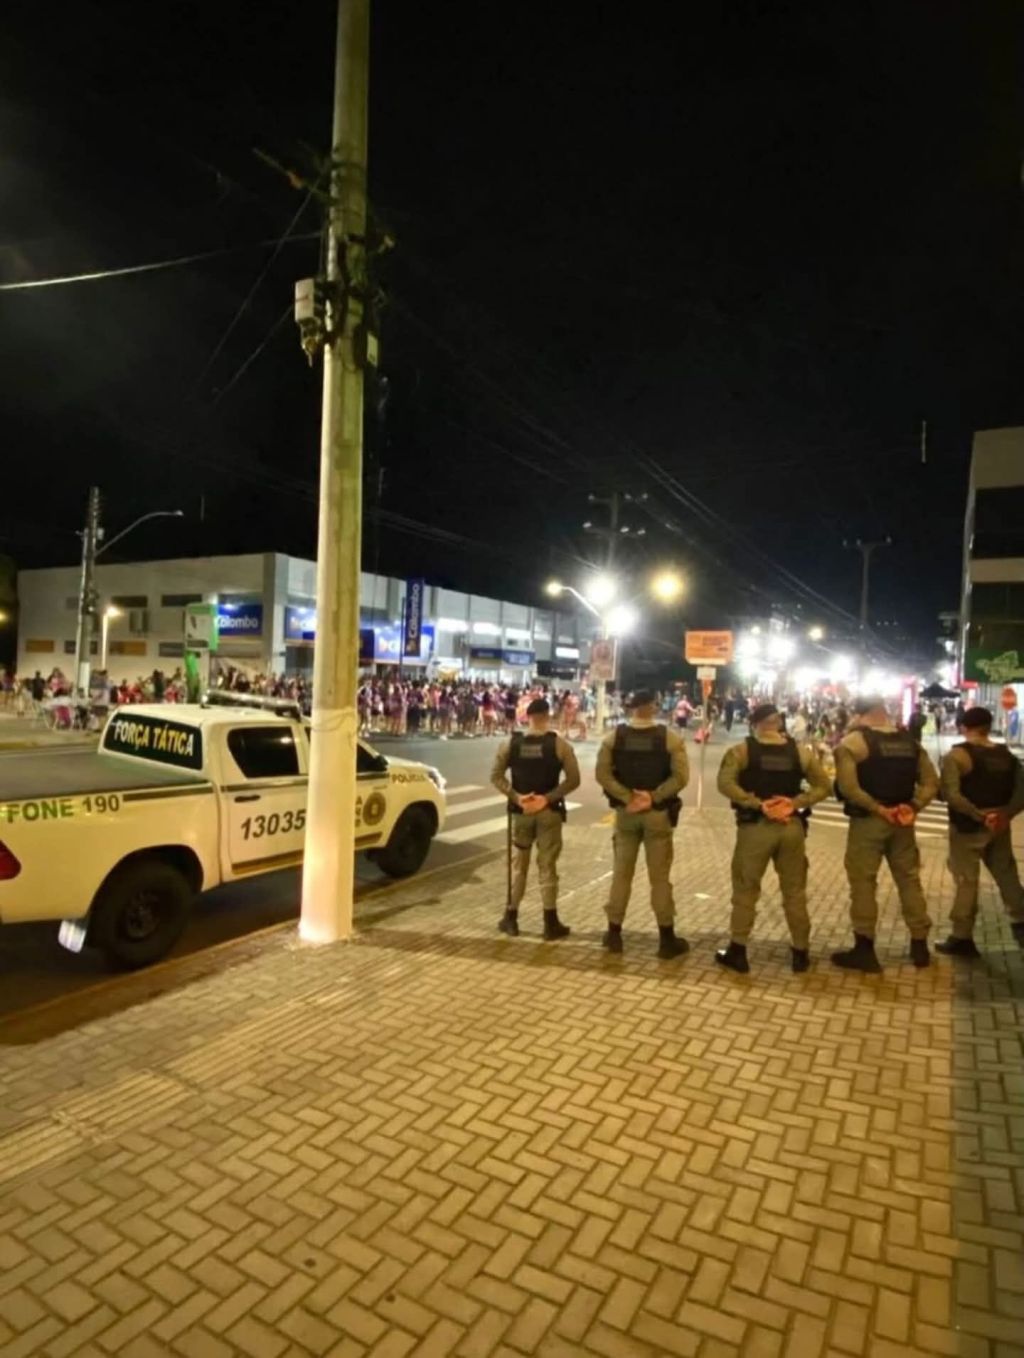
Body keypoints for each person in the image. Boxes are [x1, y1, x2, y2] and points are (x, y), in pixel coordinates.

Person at [715, 701, 831, 973]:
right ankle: (801, 952)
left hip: (756, 827)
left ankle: (738, 951)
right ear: (778, 722)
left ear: (754, 723)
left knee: (746, 889)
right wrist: (794, 803)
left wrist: (757, 803)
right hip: (791, 827)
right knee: (794, 891)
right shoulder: (800, 753)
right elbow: (824, 786)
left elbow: (725, 783)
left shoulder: (741, 750)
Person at [832, 695, 939, 972]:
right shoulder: (910, 743)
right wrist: (913, 806)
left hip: (869, 822)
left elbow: (848, 788)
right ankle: (919, 945)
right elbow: (931, 782)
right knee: (909, 880)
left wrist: (878, 809)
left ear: (859, 714)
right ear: (885, 712)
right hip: (903, 822)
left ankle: (864, 948)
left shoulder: (853, 744)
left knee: (864, 882)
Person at [595, 689, 690, 958]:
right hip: (657, 815)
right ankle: (666, 938)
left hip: (626, 814)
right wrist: (653, 797)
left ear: (631, 708)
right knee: (659, 878)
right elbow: (681, 777)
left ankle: (614, 934)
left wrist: (628, 797)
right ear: (653, 707)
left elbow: (602, 774)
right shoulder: (669, 738)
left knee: (621, 873)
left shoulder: (615, 737)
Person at [937, 707, 1024, 956]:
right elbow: (1021, 790)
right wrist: (1005, 815)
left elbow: (951, 795)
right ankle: (1021, 921)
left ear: (964, 726)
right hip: (999, 826)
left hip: (968, 827)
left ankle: (962, 936)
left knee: (966, 880)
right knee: (1007, 874)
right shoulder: (1007, 755)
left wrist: (980, 816)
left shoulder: (957, 756)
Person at [491, 698, 580, 939]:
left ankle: (511, 918)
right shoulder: (559, 745)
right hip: (548, 813)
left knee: (519, 866)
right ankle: (550, 924)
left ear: (527, 717)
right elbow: (574, 779)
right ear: (547, 715)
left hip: (521, 814)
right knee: (547, 866)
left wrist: (517, 797)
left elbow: (496, 776)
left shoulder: (511, 743)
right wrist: (547, 798)